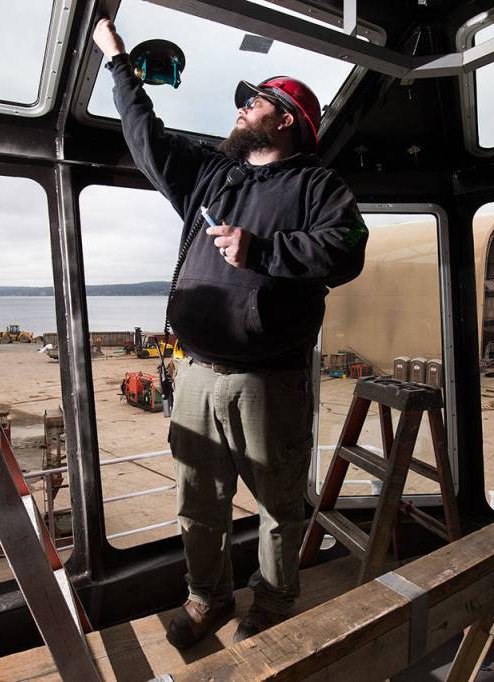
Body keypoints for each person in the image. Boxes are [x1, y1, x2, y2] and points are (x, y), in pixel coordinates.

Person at [93, 18, 368, 648]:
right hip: (193, 375)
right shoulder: (213, 176)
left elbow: (347, 249)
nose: (242, 110)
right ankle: (207, 598)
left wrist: (264, 249)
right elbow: (146, 138)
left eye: (255, 102)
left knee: (277, 509)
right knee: (197, 504)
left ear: (288, 120)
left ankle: (271, 605)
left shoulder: (317, 187)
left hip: (268, 381)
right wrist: (116, 64)